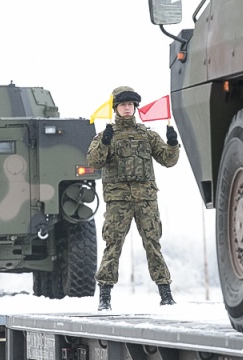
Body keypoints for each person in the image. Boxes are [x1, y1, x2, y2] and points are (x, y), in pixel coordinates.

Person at [87, 86, 180, 311]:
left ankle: (166, 293)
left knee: (153, 244)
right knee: (113, 245)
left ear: (135, 107)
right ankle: (105, 297)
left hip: (145, 199)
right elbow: (93, 162)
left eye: (130, 105)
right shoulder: (106, 135)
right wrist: (105, 142)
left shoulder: (147, 135)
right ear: (116, 108)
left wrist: (173, 143)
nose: (127, 108)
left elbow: (168, 160)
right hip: (118, 200)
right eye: (122, 105)